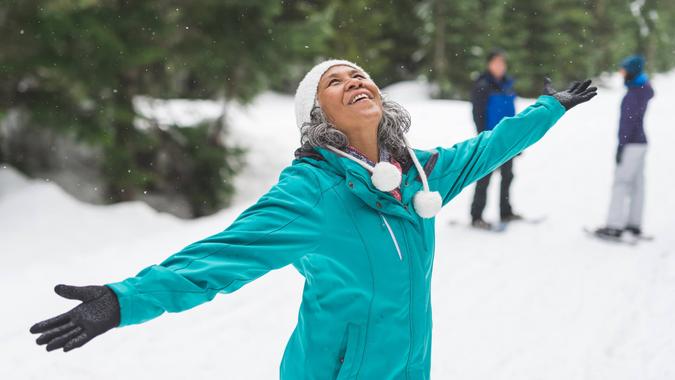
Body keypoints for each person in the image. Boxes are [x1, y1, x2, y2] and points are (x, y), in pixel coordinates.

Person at [29, 59, 596, 379]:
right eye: (335, 81)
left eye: (361, 75)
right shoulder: (310, 192)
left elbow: (487, 149)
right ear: (316, 115)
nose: (356, 80)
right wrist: (124, 299)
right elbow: (217, 261)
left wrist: (550, 108)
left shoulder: (417, 175)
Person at [594, 55, 654, 240]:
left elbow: (628, 124)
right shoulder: (641, 90)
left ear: (632, 71)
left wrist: (621, 146)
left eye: (624, 69)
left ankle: (614, 225)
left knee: (621, 183)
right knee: (637, 184)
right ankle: (634, 224)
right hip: (640, 143)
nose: (621, 73)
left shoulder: (633, 94)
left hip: (631, 143)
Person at [469, 49, 522, 230]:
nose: (500, 66)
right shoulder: (482, 84)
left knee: (508, 176)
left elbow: (512, 113)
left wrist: (517, 139)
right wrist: (483, 137)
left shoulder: (508, 83)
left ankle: (505, 212)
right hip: (490, 139)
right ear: (489, 64)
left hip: (507, 139)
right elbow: (477, 114)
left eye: (502, 62)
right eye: (496, 62)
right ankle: (476, 216)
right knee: (484, 177)